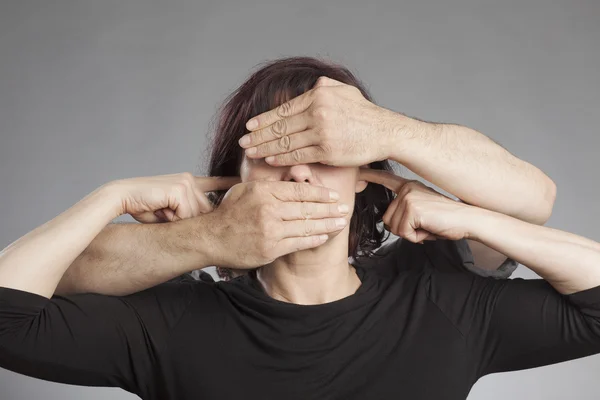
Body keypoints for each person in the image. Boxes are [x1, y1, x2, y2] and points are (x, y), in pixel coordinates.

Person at [2, 57, 598, 400]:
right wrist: (112, 196)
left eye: (326, 151)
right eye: (273, 152)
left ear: (365, 174)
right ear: (234, 178)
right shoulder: (171, 321)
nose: (299, 171)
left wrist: (468, 216)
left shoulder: (438, 298)